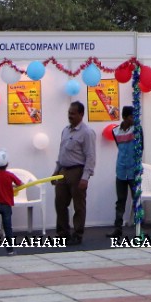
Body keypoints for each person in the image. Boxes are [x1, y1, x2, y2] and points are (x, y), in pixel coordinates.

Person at [53, 101, 96, 245]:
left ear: (81, 114)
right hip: (63, 171)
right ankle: (63, 233)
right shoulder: (65, 130)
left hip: (77, 171)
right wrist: (56, 171)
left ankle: (78, 234)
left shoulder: (87, 133)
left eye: (73, 113)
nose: (70, 116)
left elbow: (90, 156)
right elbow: (61, 153)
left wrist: (85, 177)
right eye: (69, 113)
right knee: (60, 203)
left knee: (78, 205)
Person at [108, 106, 142, 240]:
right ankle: (117, 228)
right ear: (125, 117)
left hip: (134, 171)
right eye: (131, 117)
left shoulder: (137, 130)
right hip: (121, 170)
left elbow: (141, 147)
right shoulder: (115, 131)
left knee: (137, 199)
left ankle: (139, 228)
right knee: (120, 200)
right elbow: (119, 148)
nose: (134, 119)